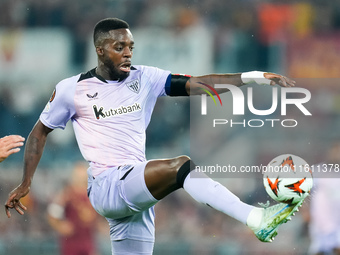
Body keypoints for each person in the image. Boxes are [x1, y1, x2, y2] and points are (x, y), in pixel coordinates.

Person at [5, 18, 303, 254]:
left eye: (131, 46)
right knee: (181, 167)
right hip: (107, 184)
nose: (128, 53)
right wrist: (26, 181)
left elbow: (199, 83)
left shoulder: (144, 77)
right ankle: (255, 218)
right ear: (100, 49)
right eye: (119, 47)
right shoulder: (72, 88)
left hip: (134, 187)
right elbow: (38, 132)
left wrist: (252, 77)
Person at [47, 161, 100, 255]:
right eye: (77, 174)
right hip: (71, 242)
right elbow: (52, 214)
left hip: (88, 240)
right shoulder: (67, 194)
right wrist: (60, 226)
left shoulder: (92, 194)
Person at [308, 143, 340, 255]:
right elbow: (300, 193)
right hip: (320, 225)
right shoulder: (317, 171)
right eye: (335, 151)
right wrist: (304, 212)